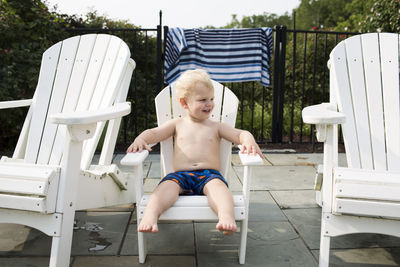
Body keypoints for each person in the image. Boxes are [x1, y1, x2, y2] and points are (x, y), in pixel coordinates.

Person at [127, 69, 263, 235]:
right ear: (184, 103)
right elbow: (154, 133)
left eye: (212, 99)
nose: (209, 104)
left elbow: (240, 134)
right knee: (164, 189)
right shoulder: (176, 124)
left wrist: (248, 140)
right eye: (203, 100)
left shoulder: (216, 126)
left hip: (210, 175)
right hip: (180, 176)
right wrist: (140, 139)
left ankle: (226, 217)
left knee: (220, 191)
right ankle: (150, 215)